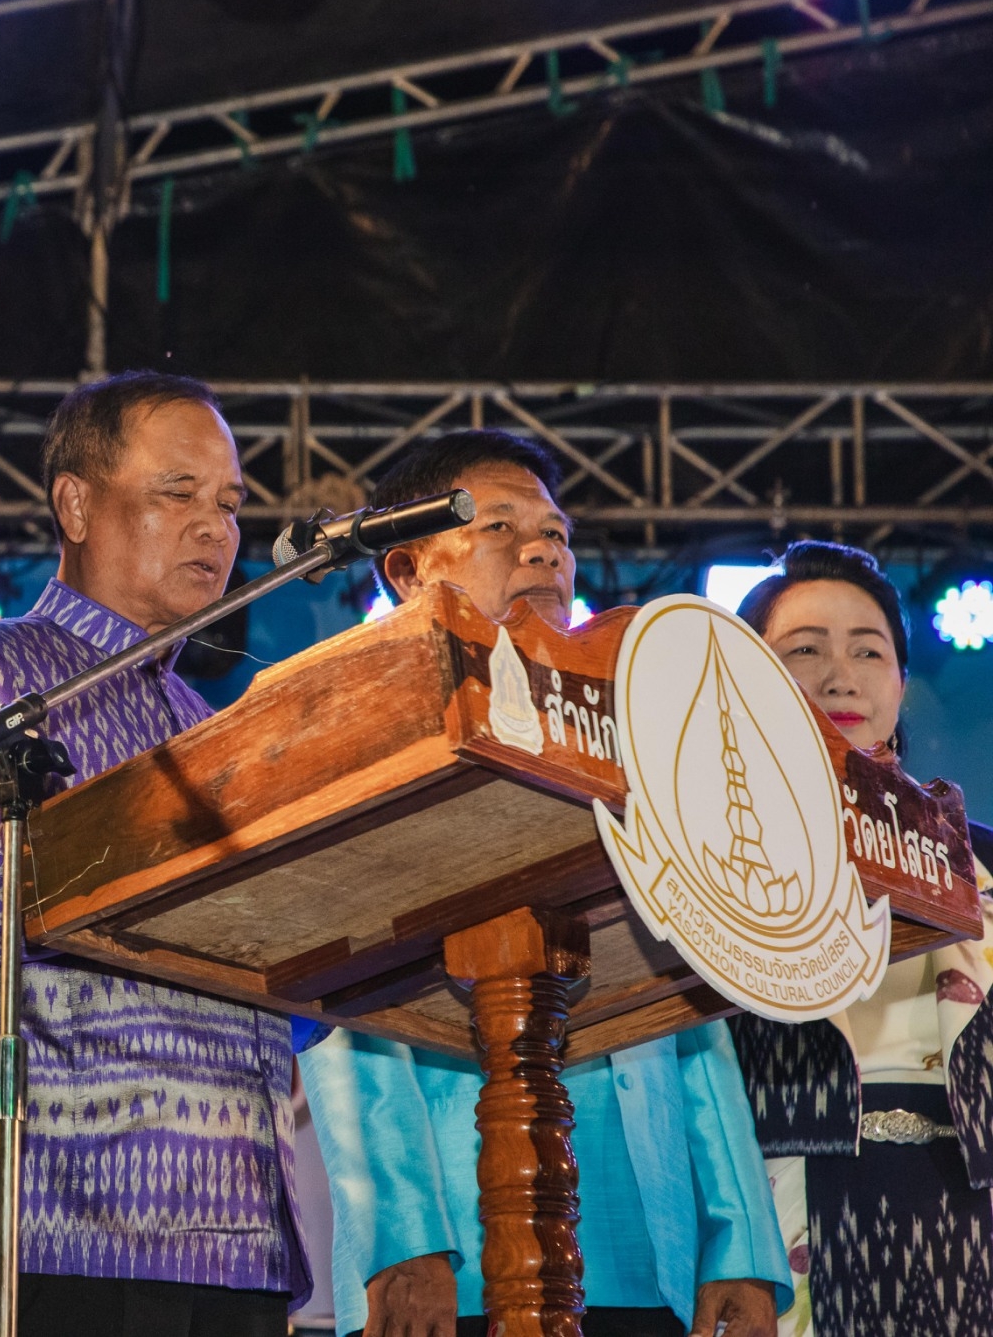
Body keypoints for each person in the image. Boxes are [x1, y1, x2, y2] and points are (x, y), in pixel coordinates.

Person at [300, 430, 791, 1337]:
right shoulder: (369, 730)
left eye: (557, 533)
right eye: (500, 526)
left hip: (650, 1244)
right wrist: (401, 1238)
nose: (544, 549)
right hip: (464, 1246)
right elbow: (340, 1009)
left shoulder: (634, 734)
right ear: (407, 567)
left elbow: (693, 995)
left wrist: (739, 1242)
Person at [0, 371, 318, 1337]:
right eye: (178, 493)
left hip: (236, 1232)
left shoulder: (208, 728)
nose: (215, 526)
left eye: (230, 504)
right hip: (58, 1230)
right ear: (76, 503)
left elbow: (258, 999)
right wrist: (130, 842)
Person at [726, 540, 993, 1337]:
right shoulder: (712, 855)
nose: (841, 674)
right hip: (788, 1215)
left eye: (867, 650)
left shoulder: (983, 858)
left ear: (901, 683)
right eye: (804, 649)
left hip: (970, 1208)